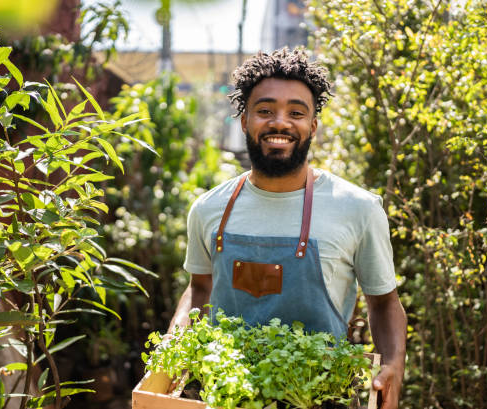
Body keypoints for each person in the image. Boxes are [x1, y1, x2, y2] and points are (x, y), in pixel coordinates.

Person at [167, 47, 407, 409]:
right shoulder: (208, 209)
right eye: (265, 111)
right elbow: (200, 290)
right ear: (244, 120)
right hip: (224, 394)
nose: (280, 122)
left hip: (324, 398)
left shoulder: (357, 208)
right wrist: (173, 346)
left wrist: (394, 367)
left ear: (312, 125)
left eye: (296, 112)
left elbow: (384, 302)